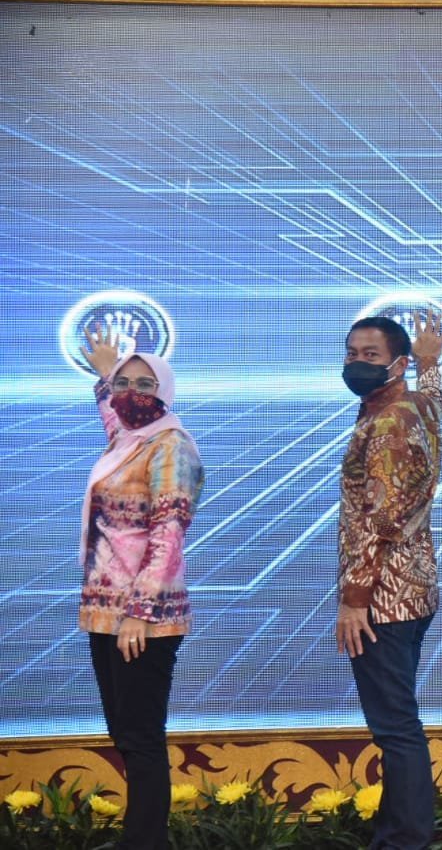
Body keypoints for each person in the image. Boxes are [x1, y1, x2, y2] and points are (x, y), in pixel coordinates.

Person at [79, 326, 204, 850]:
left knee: (142, 737)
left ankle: (146, 841)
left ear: (165, 392)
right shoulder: (129, 442)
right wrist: (104, 376)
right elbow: (115, 417)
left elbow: (168, 533)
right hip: (104, 612)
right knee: (125, 735)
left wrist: (139, 612)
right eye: (124, 384)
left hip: (143, 619)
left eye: (145, 385)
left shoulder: (171, 447)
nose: (131, 394)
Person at [336, 311, 442, 850]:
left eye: (371, 356)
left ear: (395, 364)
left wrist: (354, 598)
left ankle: (405, 840)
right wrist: (430, 364)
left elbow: (382, 519)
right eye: (352, 354)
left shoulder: (389, 423)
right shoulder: (413, 406)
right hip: (412, 589)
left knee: (395, 728)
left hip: (383, 598)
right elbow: (437, 401)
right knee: (398, 723)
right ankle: (399, 834)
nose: (357, 363)